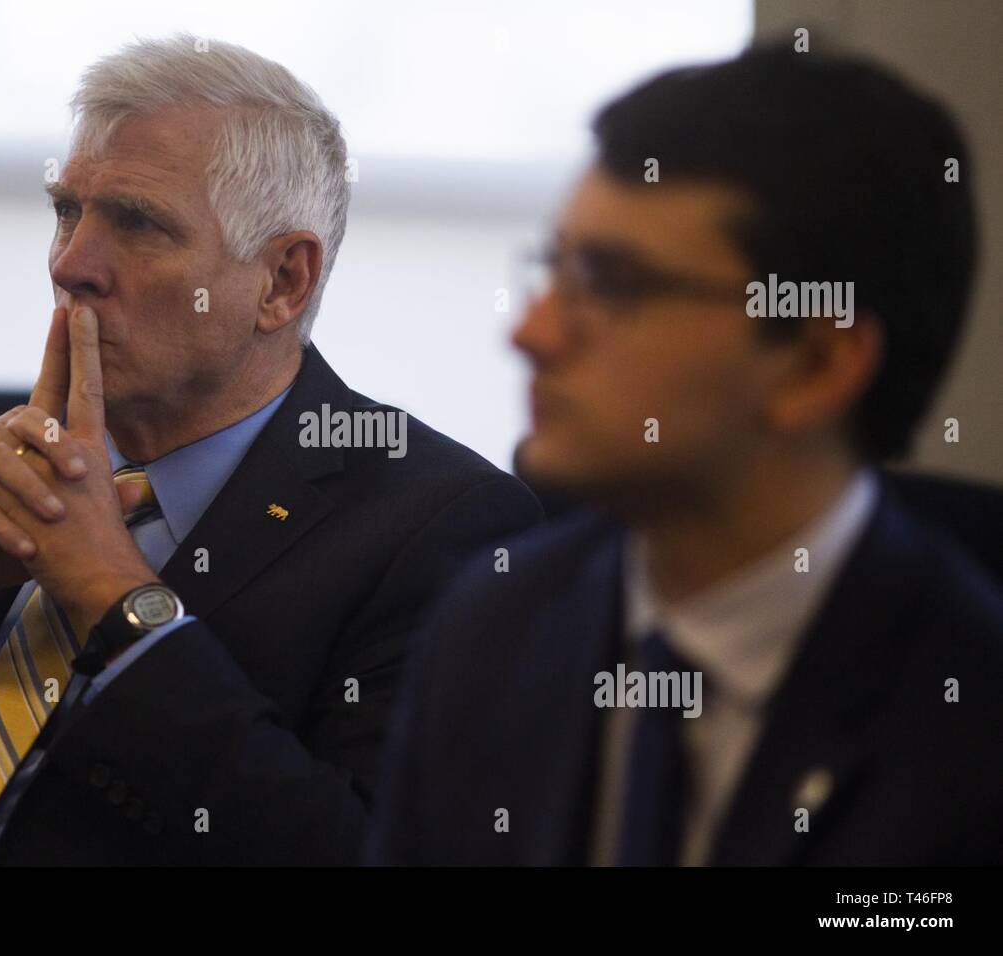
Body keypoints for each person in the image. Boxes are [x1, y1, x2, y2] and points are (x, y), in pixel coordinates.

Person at [0, 35, 541, 866]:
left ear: (282, 281)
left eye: (138, 223)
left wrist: (120, 604)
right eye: (67, 211)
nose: (72, 266)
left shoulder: (440, 529)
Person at [368, 45, 1003, 866]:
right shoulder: (491, 629)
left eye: (612, 285)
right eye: (553, 270)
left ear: (815, 365)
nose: (531, 332)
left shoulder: (968, 725)